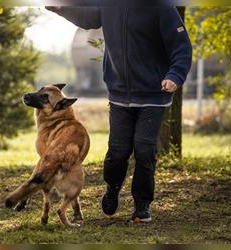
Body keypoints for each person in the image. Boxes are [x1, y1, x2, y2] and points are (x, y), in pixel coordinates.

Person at [46, 6, 192, 223]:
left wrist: (175, 75)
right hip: (119, 94)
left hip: (154, 94)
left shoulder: (161, 6)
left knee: (144, 150)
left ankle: (142, 205)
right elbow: (88, 17)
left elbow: (181, 47)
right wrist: (62, 9)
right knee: (118, 151)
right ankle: (112, 188)